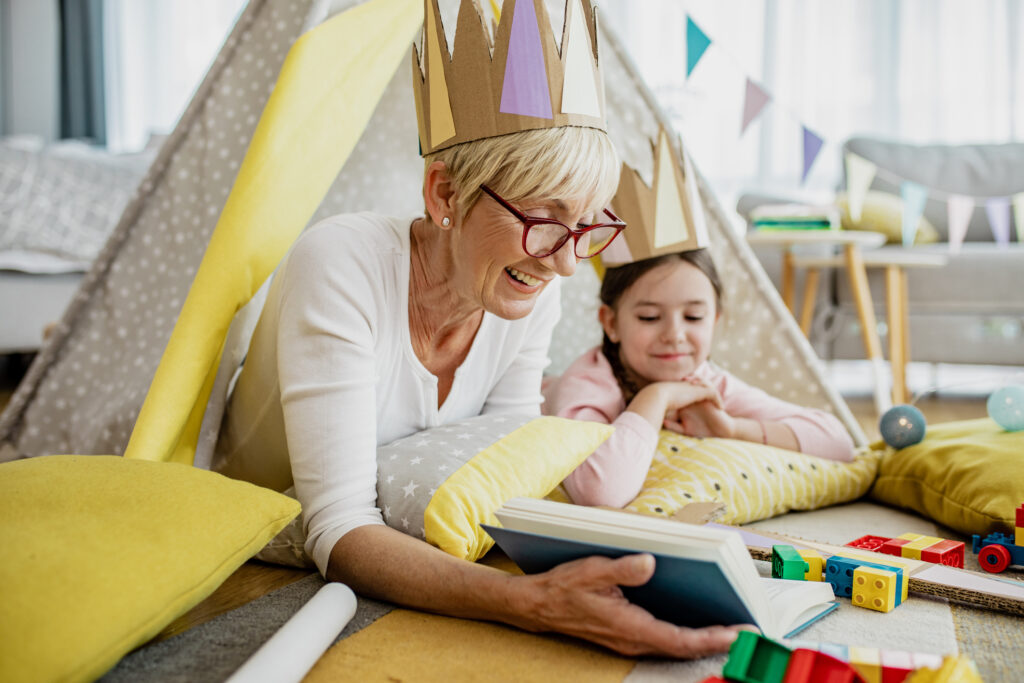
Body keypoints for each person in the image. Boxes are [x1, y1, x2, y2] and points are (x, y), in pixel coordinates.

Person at [212, 0, 748, 658]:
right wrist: (533, 603)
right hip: (258, 525)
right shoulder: (342, 262)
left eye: (585, 228)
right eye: (545, 218)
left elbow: (502, 461)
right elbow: (339, 526)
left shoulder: (528, 290)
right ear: (443, 194)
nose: (566, 261)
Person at [544, 248, 857, 509]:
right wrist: (658, 397)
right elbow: (600, 493)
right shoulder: (586, 383)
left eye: (693, 317)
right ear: (610, 323)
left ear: (715, 321)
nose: (674, 335)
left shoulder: (704, 382)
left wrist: (732, 429)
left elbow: (838, 442)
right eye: (649, 317)